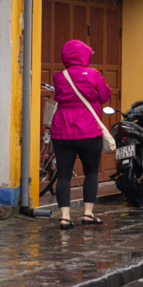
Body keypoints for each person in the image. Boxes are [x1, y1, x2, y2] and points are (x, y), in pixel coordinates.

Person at [50, 40, 112, 229]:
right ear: (84, 55)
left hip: (62, 130)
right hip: (88, 129)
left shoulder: (59, 77)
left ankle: (65, 217)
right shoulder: (92, 74)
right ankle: (87, 214)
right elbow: (104, 96)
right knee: (92, 172)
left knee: (63, 175)